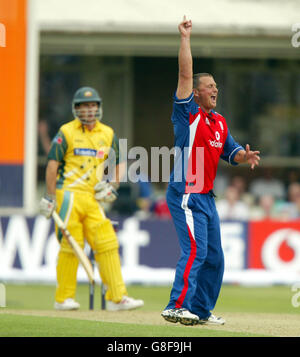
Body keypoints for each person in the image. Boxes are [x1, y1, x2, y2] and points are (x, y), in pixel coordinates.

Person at [161, 17, 260, 326]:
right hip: (185, 193)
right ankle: (176, 306)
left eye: (216, 86)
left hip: (205, 197)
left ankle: (200, 311)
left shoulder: (219, 121)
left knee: (214, 257)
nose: (215, 90)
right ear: (196, 93)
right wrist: (185, 38)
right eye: (209, 86)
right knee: (195, 251)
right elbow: (185, 73)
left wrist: (245, 156)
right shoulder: (186, 114)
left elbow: (232, 152)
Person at [39, 86, 144, 311]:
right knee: (71, 245)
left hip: (92, 197)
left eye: (93, 105)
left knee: (107, 242)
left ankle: (117, 298)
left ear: (99, 108)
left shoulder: (107, 133)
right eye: (84, 106)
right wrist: (49, 197)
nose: (89, 110)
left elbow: (121, 161)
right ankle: (63, 298)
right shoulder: (66, 132)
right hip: (67, 195)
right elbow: (52, 165)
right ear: (76, 109)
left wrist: (113, 185)